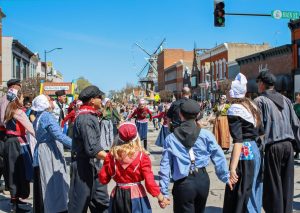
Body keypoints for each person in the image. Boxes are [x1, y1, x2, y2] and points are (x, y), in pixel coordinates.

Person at [159, 99, 231, 213]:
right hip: (202, 179)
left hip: (183, 182)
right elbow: (218, 156)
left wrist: (164, 191)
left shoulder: (171, 138)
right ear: (198, 115)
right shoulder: (206, 135)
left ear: (180, 115)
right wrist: (225, 177)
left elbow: (165, 166)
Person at [254, 71, 300, 213]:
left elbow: (257, 128)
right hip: (288, 146)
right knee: (287, 184)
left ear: (262, 84)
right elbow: (296, 124)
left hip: (273, 147)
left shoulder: (260, 101)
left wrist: (258, 149)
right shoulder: (286, 100)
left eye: (258, 83)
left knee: (273, 186)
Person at [99, 122, 170, 212]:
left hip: (118, 194)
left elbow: (103, 179)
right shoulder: (142, 157)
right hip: (136, 194)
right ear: (136, 137)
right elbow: (150, 183)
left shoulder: (111, 156)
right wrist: (161, 198)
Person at [223, 73, 263, 213]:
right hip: (255, 149)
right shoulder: (251, 105)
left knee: (242, 189)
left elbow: (238, 141)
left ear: (233, 93)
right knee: (254, 187)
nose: (226, 93)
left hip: (245, 150)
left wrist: (232, 168)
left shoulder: (234, 110)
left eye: (228, 90)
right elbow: (261, 133)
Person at [68, 85, 109, 213]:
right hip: (83, 166)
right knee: (79, 205)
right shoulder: (86, 118)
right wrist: (114, 158)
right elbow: (92, 149)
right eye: (99, 97)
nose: (101, 100)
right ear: (92, 100)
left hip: (93, 165)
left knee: (101, 202)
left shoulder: (90, 115)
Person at [31, 94, 72, 213]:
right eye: (49, 100)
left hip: (41, 150)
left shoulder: (38, 116)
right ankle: (55, 208)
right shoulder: (47, 117)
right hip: (49, 151)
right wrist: (77, 145)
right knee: (52, 183)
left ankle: (44, 208)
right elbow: (59, 135)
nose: (51, 101)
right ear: (45, 103)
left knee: (42, 182)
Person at [3, 88, 35, 211]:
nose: (23, 100)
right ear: (17, 98)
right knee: (22, 172)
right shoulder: (19, 112)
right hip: (18, 144)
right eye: (21, 97)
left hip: (8, 143)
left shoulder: (8, 110)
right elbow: (31, 128)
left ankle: (14, 202)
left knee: (11, 173)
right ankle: (16, 205)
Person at [0, 79, 21, 195]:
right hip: (4, 134)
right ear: (12, 87)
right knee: (5, 162)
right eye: (18, 87)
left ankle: (8, 186)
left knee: (6, 162)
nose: (19, 89)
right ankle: (9, 187)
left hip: (7, 133)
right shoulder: (7, 99)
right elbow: (3, 119)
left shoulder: (11, 98)